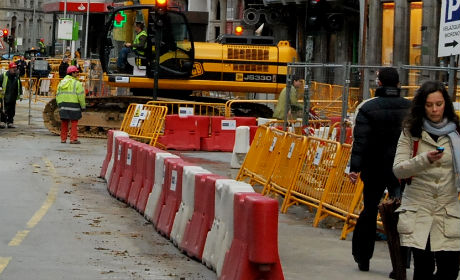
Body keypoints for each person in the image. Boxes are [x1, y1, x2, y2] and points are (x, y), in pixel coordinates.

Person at [393, 81, 460, 280]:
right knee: (423, 269)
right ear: (422, 106)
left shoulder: (456, 133)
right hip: (418, 210)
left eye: (439, 104)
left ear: (446, 104)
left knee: (450, 270)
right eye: (429, 105)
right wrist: (424, 159)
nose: (434, 109)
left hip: (447, 211)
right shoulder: (410, 132)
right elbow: (398, 170)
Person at [348, 67, 411, 271]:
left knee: (369, 209)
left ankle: (362, 256)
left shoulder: (368, 108)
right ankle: (400, 262)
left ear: (380, 84)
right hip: (401, 168)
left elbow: (361, 141)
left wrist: (354, 167)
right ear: (398, 84)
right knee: (401, 211)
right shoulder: (409, 108)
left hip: (374, 167)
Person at [56, 65, 86, 144]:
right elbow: (81, 96)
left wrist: (59, 105)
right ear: (72, 73)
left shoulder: (61, 82)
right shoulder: (77, 83)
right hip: (74, 106)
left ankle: (63, 139)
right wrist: (83, 106)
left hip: (63, 105)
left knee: (64, 122)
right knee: (74, 122)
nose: (77, 74)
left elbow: (57, 95)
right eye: (76, 72)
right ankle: (73, 139)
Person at [0, 62, 23, 128]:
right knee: (4, 109)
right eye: (13, 68)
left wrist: (21, 94)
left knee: (12, 110)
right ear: (9, 68)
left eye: (15, 67)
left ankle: (10, 122)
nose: (14, 69)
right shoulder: (4, 75)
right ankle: (3, 121)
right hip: (5, 96)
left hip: (13, 96)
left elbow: (19, 85)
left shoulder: (16, 76)